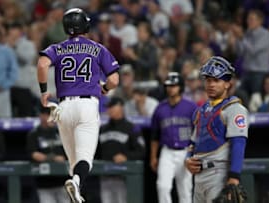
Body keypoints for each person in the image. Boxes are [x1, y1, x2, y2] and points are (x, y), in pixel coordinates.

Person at [36, 8, 120, 203]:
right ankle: (75, 182)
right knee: (84, 161)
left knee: (73, 163)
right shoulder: (97, 48)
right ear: (86, 25)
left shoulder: (57, 47)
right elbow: (114, 80)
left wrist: (43, 91)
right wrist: (105, 89)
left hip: (63, 108)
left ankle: (76, 190)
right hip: (87, 105)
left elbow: (41, 65)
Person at [185, 56, 249, 203]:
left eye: (216, 80)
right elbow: (193, 142)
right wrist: (187, 159)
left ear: (227, 84)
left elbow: (238, 143)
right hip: (199, 176)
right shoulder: (201, 111)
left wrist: (234, 177)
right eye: (208, 80)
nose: (211, 84)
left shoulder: (234, 109)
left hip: (219, 173)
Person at [150, 72, 197, 203]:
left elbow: (198, 133)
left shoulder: (191, 107)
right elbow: (155, 135)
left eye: (174, 85)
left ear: (181, 87)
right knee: (162, 186)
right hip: (167, 152)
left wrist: (195, 154)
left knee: (185, 190)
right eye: (169, 85)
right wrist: (153, 156)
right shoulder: (160, 108)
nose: (171, 88)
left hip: (186, 151)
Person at [98, 97, 145, 203]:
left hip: (124, 177)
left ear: (121, 107)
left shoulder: (131, 127)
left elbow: (141, 151)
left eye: (112, 107)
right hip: (105, 176)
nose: (109, 110)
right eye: (108, 108)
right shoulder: (102, 129)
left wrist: (126, 156)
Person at [27, 106, 68, 203]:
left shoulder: (61, 132)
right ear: (41, 116)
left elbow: (68, 154)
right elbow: (34, 155)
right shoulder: (34, 134)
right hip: (44, 184)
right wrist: (53, 158)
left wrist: (47, 157)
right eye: (48, 115)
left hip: (63, 181)